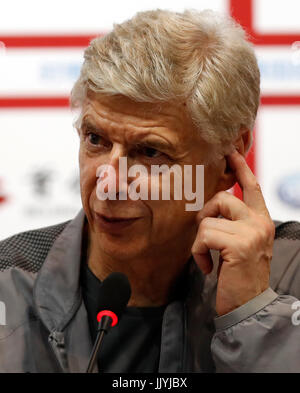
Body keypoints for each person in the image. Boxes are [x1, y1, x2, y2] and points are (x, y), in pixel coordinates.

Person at [0, 9, 299, 373]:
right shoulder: (8, 280)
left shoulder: (291, 274)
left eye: (150, 152)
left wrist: (254, 317)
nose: (109, 184)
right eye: (95, 139)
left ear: (227, 158)